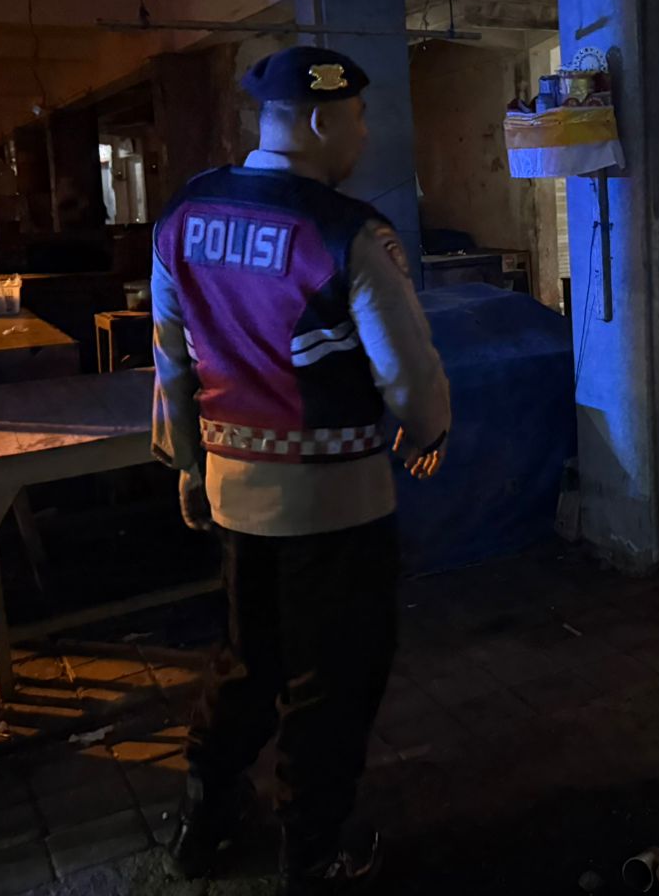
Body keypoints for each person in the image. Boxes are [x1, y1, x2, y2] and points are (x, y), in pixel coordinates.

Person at [150, 45, 451, 895]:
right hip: (335, 502)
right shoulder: (347, 231)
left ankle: (204, 822)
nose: (363, 133)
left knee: (247, 658)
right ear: (321, 118)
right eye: (357, 117)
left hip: (232, 491)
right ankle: (313, 855)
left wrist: (188, 465)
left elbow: (172, 358)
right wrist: (428, 428)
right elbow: (408, 374)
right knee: (334, 677)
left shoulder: (185, 215)